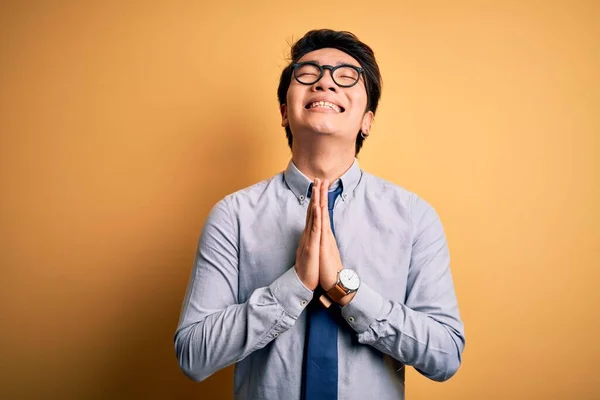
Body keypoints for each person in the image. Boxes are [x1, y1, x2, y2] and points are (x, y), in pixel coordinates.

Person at [174, 29, 465, 400]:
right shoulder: (232, 216)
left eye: (346, 76)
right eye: (308, 73)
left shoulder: (414, 217)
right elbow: (193, 355)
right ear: (284, 112)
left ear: (367, 121)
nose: (325, 82)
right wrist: (294, 285)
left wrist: (347, 290)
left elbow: (445, 355)